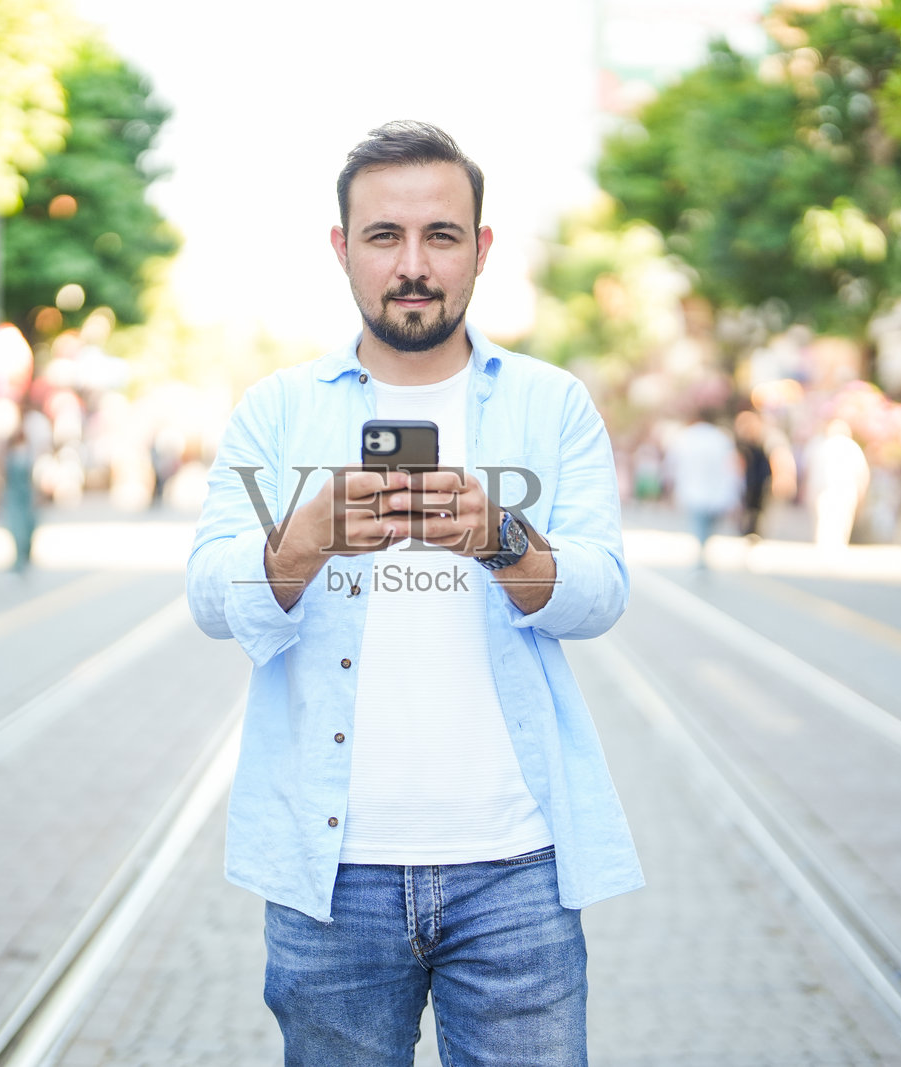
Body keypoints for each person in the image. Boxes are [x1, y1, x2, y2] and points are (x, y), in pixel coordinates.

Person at [187, 121, 642, 1066]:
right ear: (342, 249)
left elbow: (601, 592)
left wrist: (499, 536)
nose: (413, 264)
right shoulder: (278, 409)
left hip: (517, 866)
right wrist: (301, 542)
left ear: (479, 250)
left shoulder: (549, 403)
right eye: (384, 236)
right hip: (330, 872)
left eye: (440, 235)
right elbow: (206, 592)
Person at [665, 411, 740, 567]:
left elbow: (672, 465)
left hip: (694, 492)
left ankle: (702, 555)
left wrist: (669, 488)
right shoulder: (720, 438)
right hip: (715, 493)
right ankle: (702, 555)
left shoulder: (686, 437)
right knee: (707, 527)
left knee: (700, 526)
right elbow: (732, 468)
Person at [807, 419, 870, 549]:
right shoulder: (852, 447)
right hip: (845, 491)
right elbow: (862, 474)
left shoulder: (822, 446)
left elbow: (812, 473)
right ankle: (837, 549)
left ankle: (825, 550)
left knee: (825, 522)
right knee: (842, 522)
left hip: (826, 490)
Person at [3, 424, 37, 574]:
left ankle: (24, 557)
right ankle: (19, 559)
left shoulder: (25, 455)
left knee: (26, 528)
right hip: (16, 497)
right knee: (17, 528)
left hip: (23, 497)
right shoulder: (14, 456)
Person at [734, 409, 773, 538]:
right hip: (745, 484)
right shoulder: (740, 444)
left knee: (756, 513)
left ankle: (754, 532)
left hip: (760, 484)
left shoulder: (764, 441)